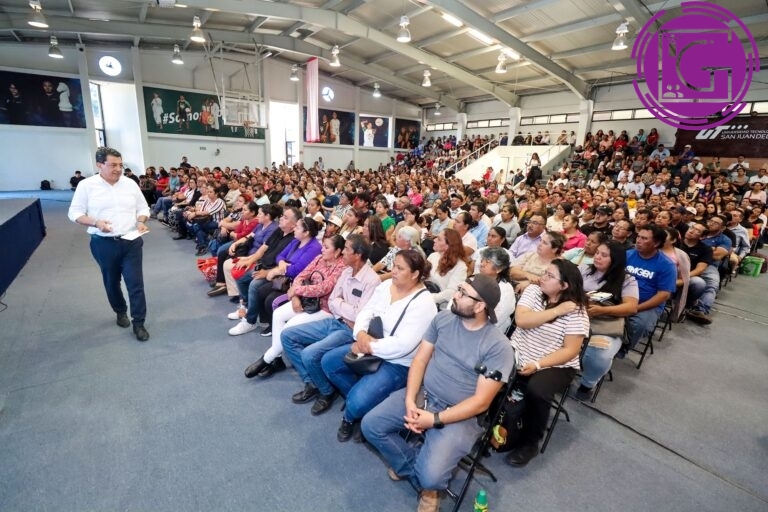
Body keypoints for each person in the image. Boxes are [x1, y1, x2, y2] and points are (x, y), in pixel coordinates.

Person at [361, 275, 515, 512]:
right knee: (371, 425)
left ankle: (428, 485)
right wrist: (411, 401)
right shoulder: (443, 319)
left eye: (463, 293)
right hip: (424, 395)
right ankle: (417, 470)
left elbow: (481, 403)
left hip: (459, 414)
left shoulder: (498, 347)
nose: (455, 295)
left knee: (431, 477)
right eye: (459, 289)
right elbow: (420, 360)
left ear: (480, 306)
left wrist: (433, 420)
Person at [321, 250, 438, 442]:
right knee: (329, 363)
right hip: (369, 345)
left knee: (357, 402)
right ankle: (365, 404)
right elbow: (367, 311)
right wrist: (359, 334)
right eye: (394, 266)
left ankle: (351, 416)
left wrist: (367, 347)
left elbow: (404, 345)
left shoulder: (425, 304)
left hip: (398, 362)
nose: (393, 271)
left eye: (400, 268)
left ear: (415, 274)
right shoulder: (386, 286)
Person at [282, 235, 381, 416]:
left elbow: (360, 315)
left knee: (309, 354)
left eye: (347, 249)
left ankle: (326, 392)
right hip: (335, 320)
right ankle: (313, 382)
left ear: (357, 255)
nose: (342, 251)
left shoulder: (372, 281)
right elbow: (333, 301)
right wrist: (344, 307)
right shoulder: (346, 272)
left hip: (350, 330)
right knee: (287, 335)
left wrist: (341, 305)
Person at [505, 259, 589, 466]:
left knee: (538, 389)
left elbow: (570, 350)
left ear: (564, 285)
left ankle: (530, 443)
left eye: (550, 276)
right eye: (545, 273)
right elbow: (522, 321)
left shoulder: (577, 311)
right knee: (490, 370)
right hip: (519, 350)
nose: (543, 277)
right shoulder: (534, 292)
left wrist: (538, 364)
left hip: (554, 363)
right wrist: (556, 311)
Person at [67, 147, 151, 341]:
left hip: (131, 242)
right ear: (99, 165)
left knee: (135, 284)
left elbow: (143, 207)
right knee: (111, 282)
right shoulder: (87, 186)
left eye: (120, 165)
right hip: (103, 244)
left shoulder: (130, 184)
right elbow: (75, 213)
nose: (118, 169)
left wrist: (140, 221)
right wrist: (96, 222)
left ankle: (139, 322)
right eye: (113, 165)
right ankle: (120, 310)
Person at [243, 235, 348, 379]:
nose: (322, 249)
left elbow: (324, 288)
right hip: (306, 301)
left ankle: (267, 358)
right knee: (278, 314)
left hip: (323, 308)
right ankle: (277, 359)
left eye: (326, 247)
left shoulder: (341, 267)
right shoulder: (319, 259)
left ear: (337, 252)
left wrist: (296, 291)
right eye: (323, 246)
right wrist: (295, 297)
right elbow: (301, 276)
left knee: (288, 329)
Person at [574, 242, 639, 401]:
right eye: (597, 253)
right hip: (574, 316)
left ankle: (587, 383)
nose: (597, 257)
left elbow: (631, 307)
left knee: (599, 354)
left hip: (604, 323)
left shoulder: (627, 280)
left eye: (604, 255)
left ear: (615, 260)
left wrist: (603, 310)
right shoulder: (584, 269)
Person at [618, 226, 677, 358]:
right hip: (622, 297)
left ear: (656, 243)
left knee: (639, 324)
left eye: (644, 238)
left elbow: (663, 295)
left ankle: (622, 349)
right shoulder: (628, 254)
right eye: (638, 236)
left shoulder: (666, 265)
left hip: (647, 305)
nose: (638, 240)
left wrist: (636, 308)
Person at [426, 229, 469, 309]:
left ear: (449, 245)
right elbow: (423, 276)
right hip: (426, 297)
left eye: (439, 239)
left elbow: (451, 292)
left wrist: (429, 298)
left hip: (441, 307)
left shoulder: (460, 266)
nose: (434, 240)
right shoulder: (433, 256)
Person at [476, 246, 515, 334]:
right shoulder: (475, 279)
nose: (482, 264)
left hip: (489, 332)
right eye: (482, 260)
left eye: (488, 262)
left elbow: (496, 319)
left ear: (499, 268)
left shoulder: (506, 290)